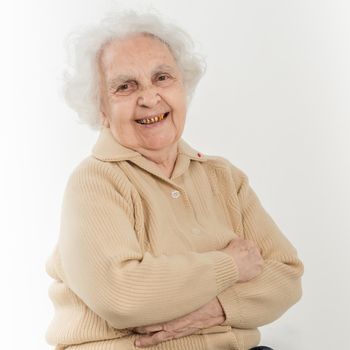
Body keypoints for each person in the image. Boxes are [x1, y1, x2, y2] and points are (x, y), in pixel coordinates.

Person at [45, 10, 303, 350]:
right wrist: (230, 265)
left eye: (162, 78)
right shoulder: (95, 182)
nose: (150, 98)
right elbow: (122, 295)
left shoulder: (223, 177)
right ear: (101, 108)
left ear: (184, 86)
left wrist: (216, 309)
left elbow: (286, 276)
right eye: (125, 86)